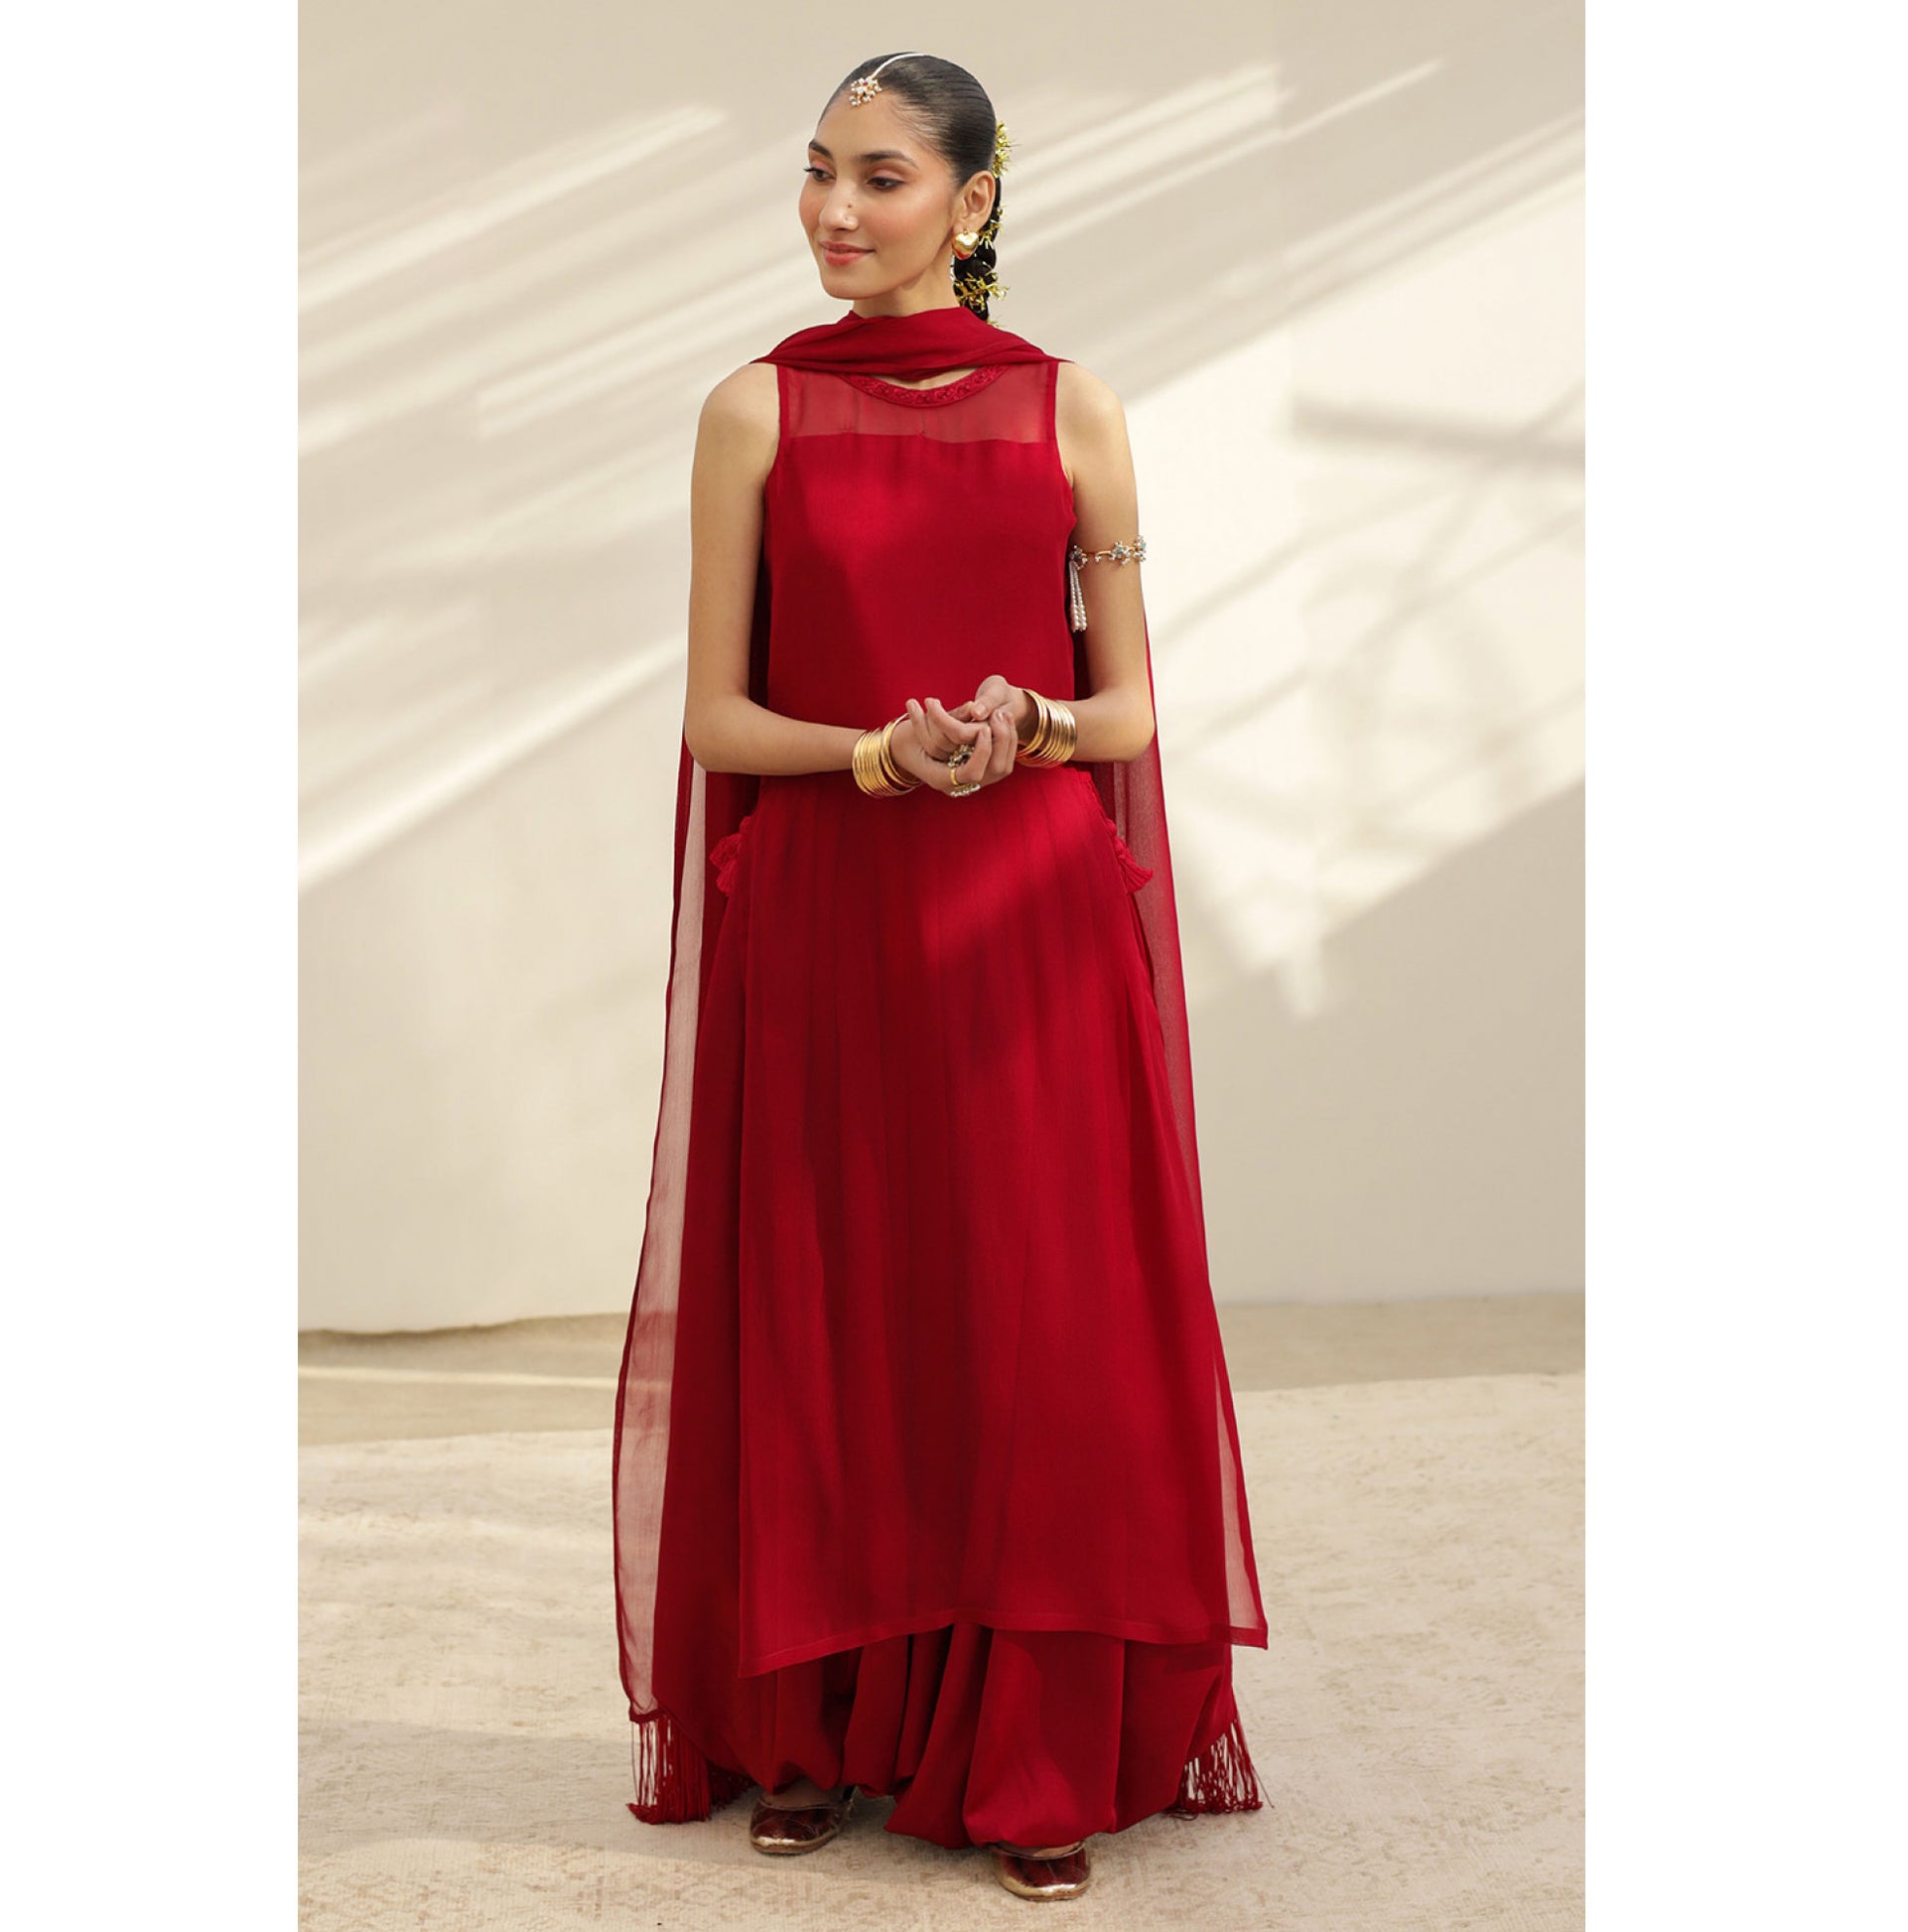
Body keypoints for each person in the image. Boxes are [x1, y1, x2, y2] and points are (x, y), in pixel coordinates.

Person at [610, 50, 1270, 1904]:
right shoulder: (752, 411)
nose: (834, 209)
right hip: (830, 909)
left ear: (972, 201)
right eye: (816, 169)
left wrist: (1031, 720)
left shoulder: (1074, 411)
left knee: (1035, 1324)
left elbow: (1127, 709)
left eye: (880, 176)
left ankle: (1033, 1744)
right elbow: (715, 716)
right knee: (830, 1309)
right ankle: (815, 1723)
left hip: (1029, 922)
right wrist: (871, 755)